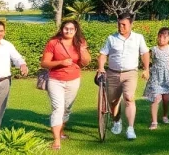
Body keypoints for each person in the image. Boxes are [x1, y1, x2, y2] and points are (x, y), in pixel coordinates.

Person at [96, 14, 150, 140]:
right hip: (112, 73)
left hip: (130, 73)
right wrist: (101, 67)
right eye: (119, 24)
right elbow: (103, 54)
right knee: (113, 102)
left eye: (124, 24)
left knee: (129, 98)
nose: (121, 27)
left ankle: (130, 128)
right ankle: (117, 120)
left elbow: (145, 53)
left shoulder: (138, 38)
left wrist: (146, 69)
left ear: (131, 24)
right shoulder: (111, 38)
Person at [41, 19, 90, 150]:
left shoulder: (80, 42)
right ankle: (56, 140)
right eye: (66, 28)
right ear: (62, 29)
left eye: (71, 29)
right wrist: (60, 62)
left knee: (67, 108)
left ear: (75, 30)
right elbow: (44, 63)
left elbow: (86, 63)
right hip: (55, 80)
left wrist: (83, 50)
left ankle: (61, 131)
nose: (68, 31)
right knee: (58, 108)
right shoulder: (53, 43)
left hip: (74, 79)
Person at [143, 27, 169, 130]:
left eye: (165, 37)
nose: (162, 39)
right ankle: (154, 122)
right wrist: (146, 70)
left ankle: (165, 115)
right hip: (156, 77)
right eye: (160, 36)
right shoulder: (153, 49)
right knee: (156, 98)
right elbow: (145, 59)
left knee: (166, 99)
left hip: (168, 77)